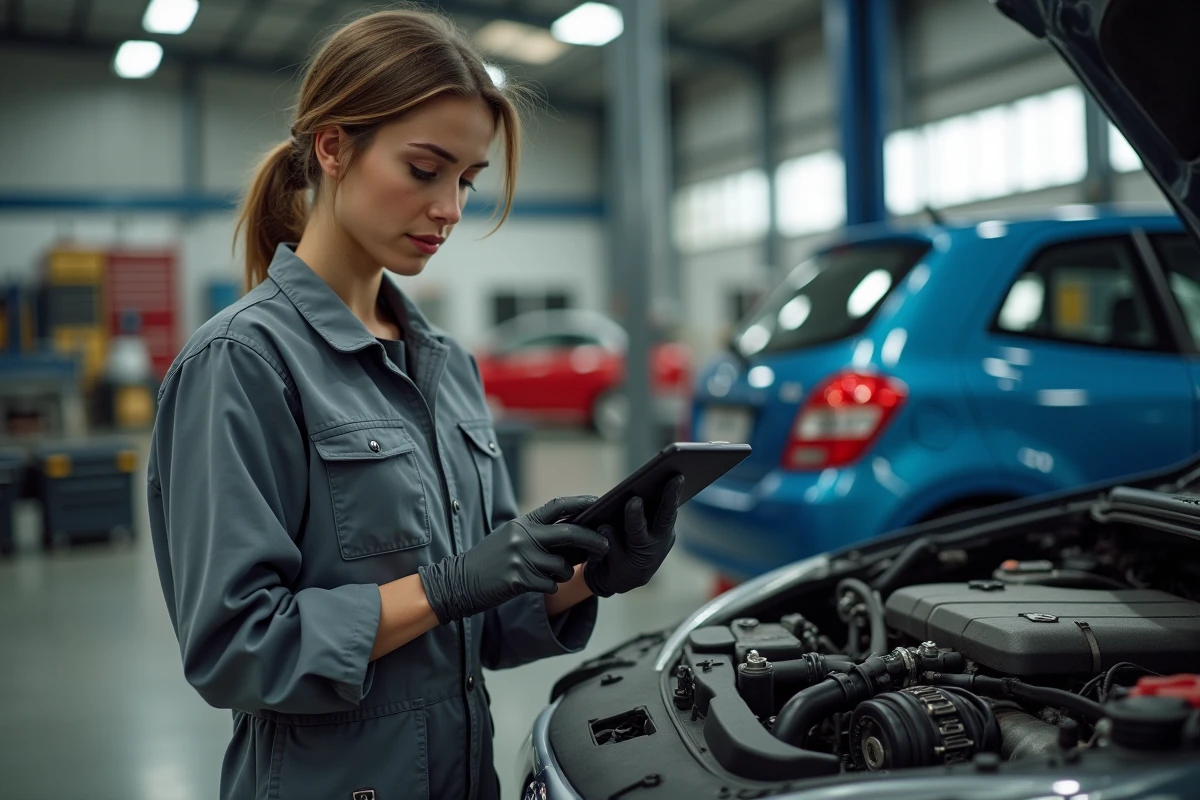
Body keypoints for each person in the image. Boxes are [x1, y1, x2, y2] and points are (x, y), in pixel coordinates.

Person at [145, 9, 684, 800]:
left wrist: (585, 573)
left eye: (466, 180)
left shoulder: (446, 365)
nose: (451, 209)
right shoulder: (242, 363)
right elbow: (237, 650)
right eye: (425, 170)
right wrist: (446, 585)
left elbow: (483, 626)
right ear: (333, 148)